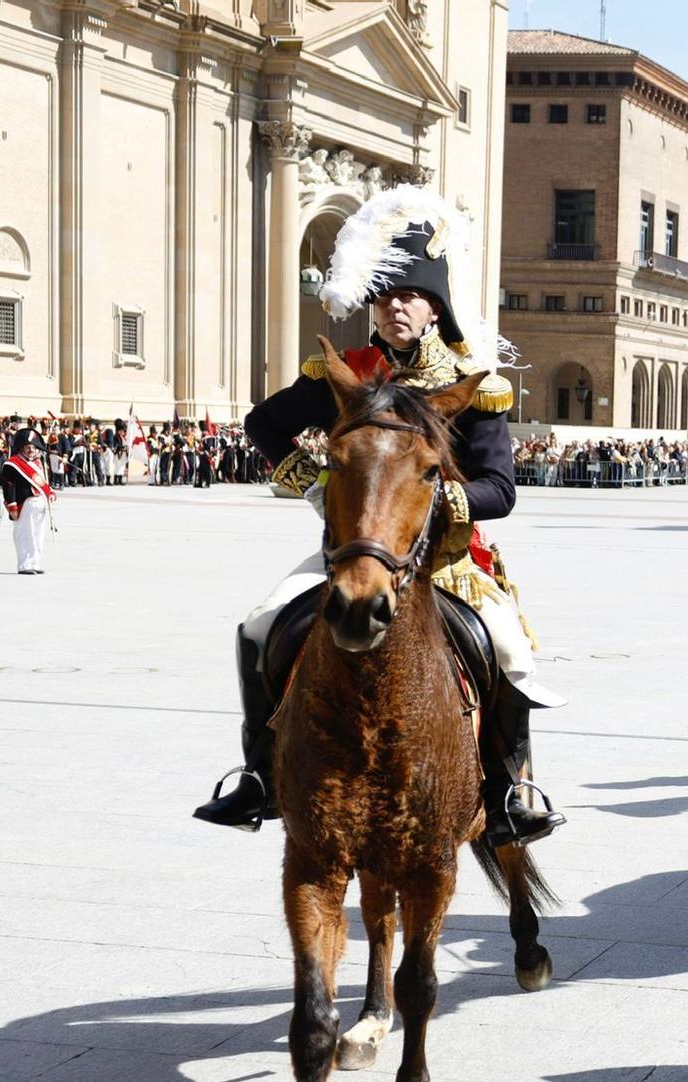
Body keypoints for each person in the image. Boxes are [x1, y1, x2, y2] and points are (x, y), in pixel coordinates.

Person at [192, 185, 565, 849]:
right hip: (357, 547)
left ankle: (511, 789)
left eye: (410, 295)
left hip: (447, 555)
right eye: (387, 294)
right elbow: (263, 424)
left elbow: (500, 490)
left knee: (508, 649)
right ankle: (260, 776)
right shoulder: (348, 371)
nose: (396, 306)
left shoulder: (472, 382)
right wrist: (309, 483)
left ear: (433, 306)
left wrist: (436, 499)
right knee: (258, 627)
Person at [2, 429, 55, 574]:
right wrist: (12, 506)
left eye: (33, 447)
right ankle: (24, 565)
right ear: (21, 448)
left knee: (38, 535)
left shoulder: (38, 462)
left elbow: (44, 482)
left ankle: (34, 562)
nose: (31, 450)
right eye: (28, 447)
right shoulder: (12, 464)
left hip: (40, 503)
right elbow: (8, 486)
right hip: (24, 503)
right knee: (25, 534)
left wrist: (50, 493)